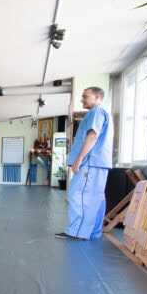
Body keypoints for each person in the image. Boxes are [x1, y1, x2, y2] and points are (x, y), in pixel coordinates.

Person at [56, 87, 113, 240]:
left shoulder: (96, 112)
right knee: (95, 198)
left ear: (97, 97)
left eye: (85, 96)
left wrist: (79, 159)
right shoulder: (102, 113)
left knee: (79, 195)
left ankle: (77, 231)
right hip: (99, 164)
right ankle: (92, 231)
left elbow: (93, 135)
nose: (82, 99)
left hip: (90, 162)